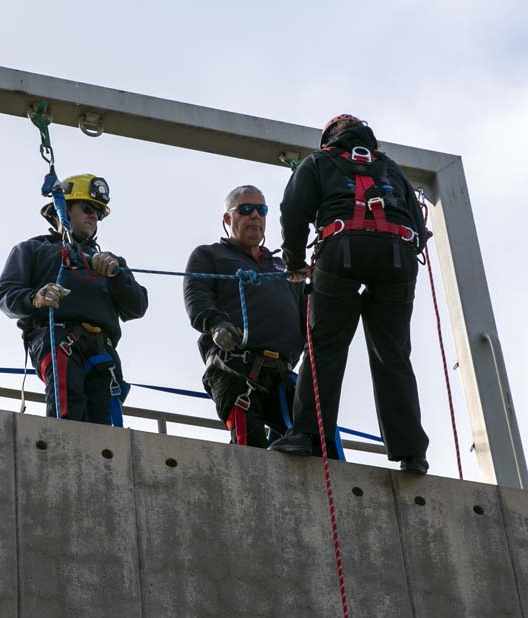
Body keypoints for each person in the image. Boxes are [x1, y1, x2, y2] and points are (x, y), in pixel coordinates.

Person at [270, 114, 431, 474]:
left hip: (342, 251)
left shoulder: (319, 162)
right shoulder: (390, 168)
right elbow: (419, 229)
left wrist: (295, 261)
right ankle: (411, 453)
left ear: (329, 139)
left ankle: (307, 435)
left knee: (325, 345)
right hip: (398, 257)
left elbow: (293, 210)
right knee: (393, 354)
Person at [0, 173, 148, 424]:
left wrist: (116, 275)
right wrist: (36, 298)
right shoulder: (33, 250)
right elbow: (5, 294)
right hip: (59, 340)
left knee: (104, 424)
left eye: (98, 212)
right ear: (63, 209)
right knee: (68, 410)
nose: (94, 216)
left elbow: (137, 307)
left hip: (102, 350)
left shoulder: (108, 263)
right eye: (87, 208)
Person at [183, 186, 305, 448]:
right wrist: (216, 325)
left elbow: (309, 313)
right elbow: (197, 296)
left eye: (261, 210)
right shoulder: (210, 256)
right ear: (227, 219)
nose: (255, 216)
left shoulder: (283, 267)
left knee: (315, 440)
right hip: (236, 369)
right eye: (246, 210)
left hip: (283, 372)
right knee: (250, 445)